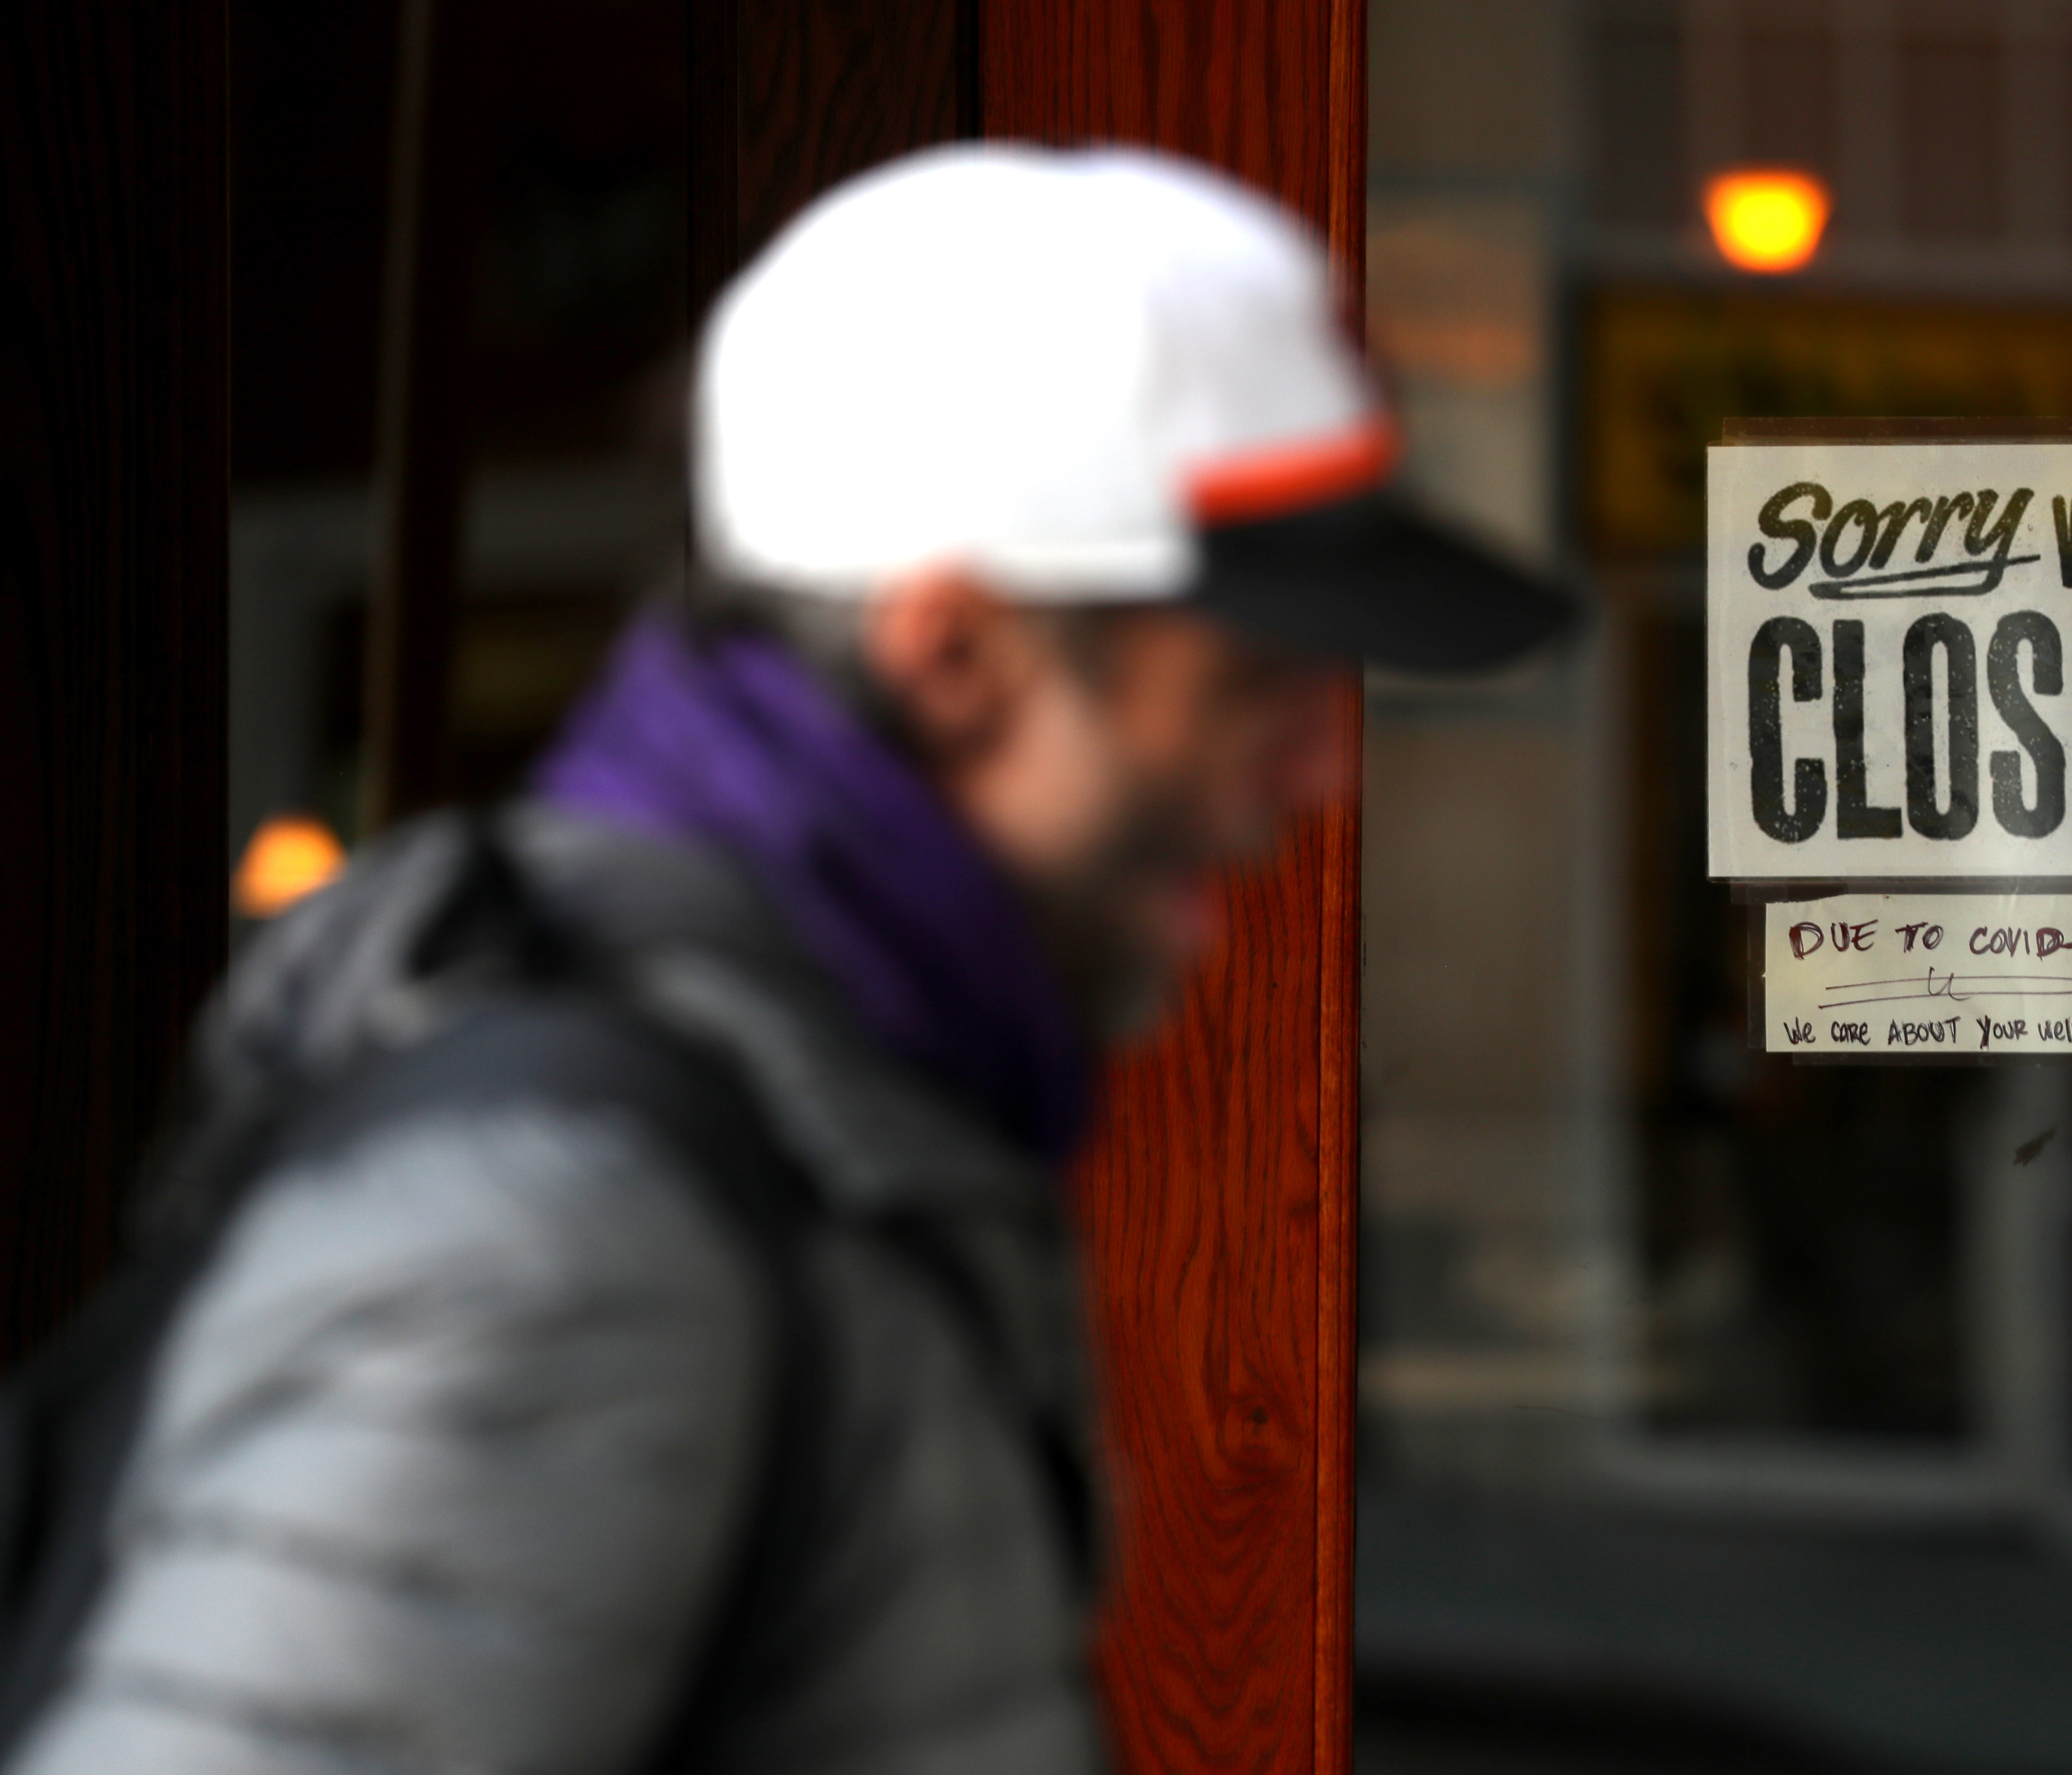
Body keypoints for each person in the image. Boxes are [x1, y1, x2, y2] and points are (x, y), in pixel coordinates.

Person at [0, 145, 1564, 1773]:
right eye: (1254, 680)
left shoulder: (828, 1121)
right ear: (955, 656)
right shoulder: (577, 1233)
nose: (1324, 768)